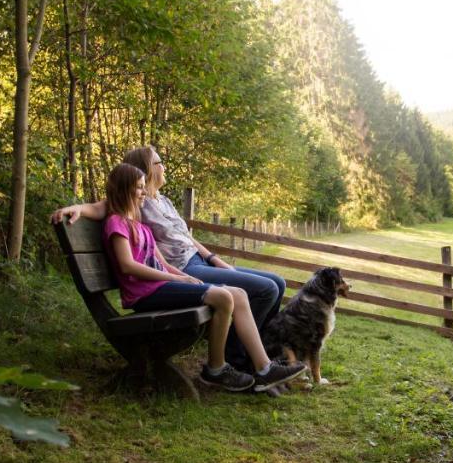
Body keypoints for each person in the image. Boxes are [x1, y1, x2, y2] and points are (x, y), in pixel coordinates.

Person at [53, 146, 289, 372]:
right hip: (182, 268)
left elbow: (185, 237)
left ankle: (260, 353)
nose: (164, 167)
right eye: (159, 162)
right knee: (265, 289)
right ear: (146, 169)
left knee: (278, 283)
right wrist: (76, 208)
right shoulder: (136, 202)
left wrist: (215, 259)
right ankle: (238, 358)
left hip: (199, 261)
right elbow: (102, 206)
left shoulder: (162, 200)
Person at [88, 162, 306, 393]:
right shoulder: (116, 223)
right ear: (124, 190)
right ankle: (216, 369)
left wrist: (184, 277)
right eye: (139, 188)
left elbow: (161, 262)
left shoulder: (140, 226)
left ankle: (264, 369)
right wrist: (177, 280)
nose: (144, 192)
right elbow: (127, 265)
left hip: (160, 286)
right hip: (144, 294)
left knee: (239, 295)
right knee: (223, 297)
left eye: (144, 186)